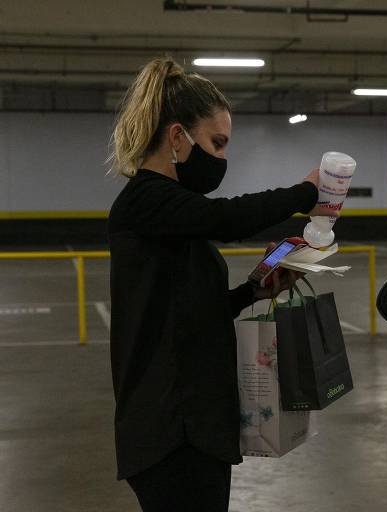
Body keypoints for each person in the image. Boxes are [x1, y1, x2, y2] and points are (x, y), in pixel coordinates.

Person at [106, 57, 336, 511]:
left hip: (195, 425)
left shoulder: (173, 215)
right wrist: (307, 194)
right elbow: (226, 218)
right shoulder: (146, 200)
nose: (221, 158)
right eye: (217, 143)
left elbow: (188, 311)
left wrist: (255, 289)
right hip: (171, 429)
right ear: (177, 137)